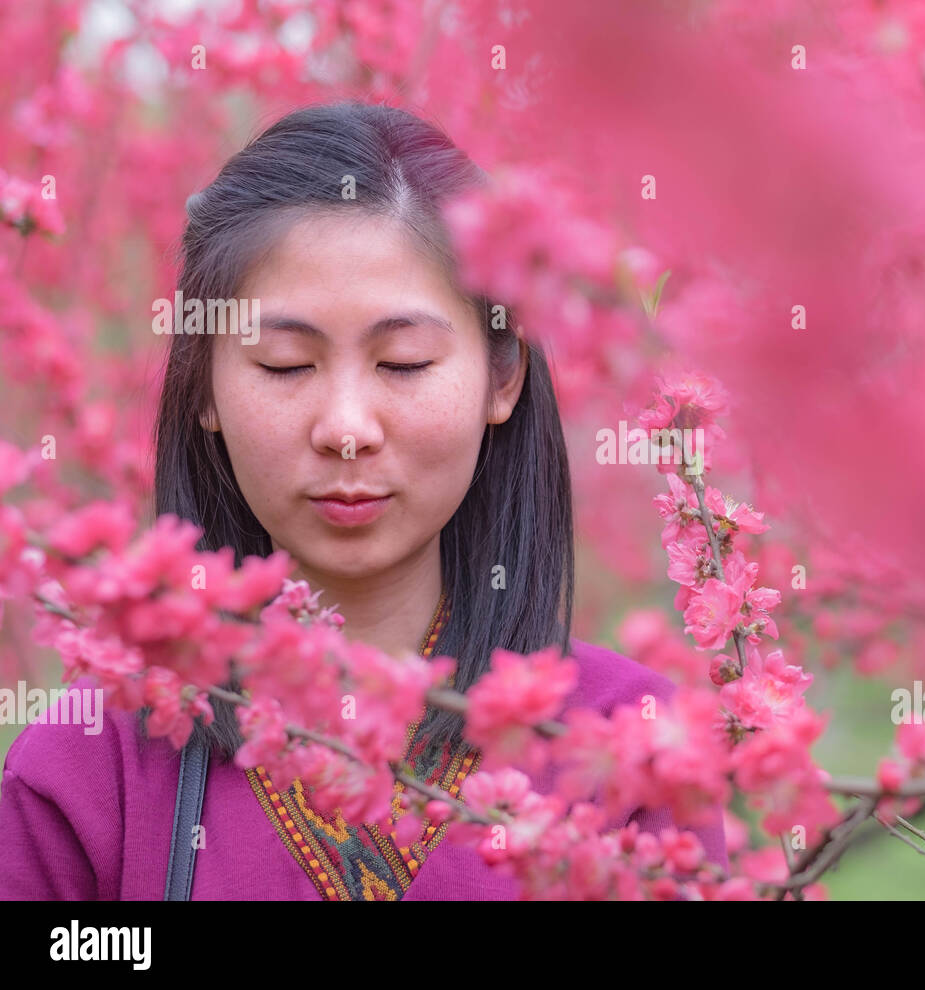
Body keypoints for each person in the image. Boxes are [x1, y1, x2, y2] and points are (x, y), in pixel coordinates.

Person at [0, 102, 728, 900]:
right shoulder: (87, 762)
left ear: (503, 375)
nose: (346, 429)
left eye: (405, 362)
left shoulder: (629, 746)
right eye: (284, 364)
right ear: (202, 383)